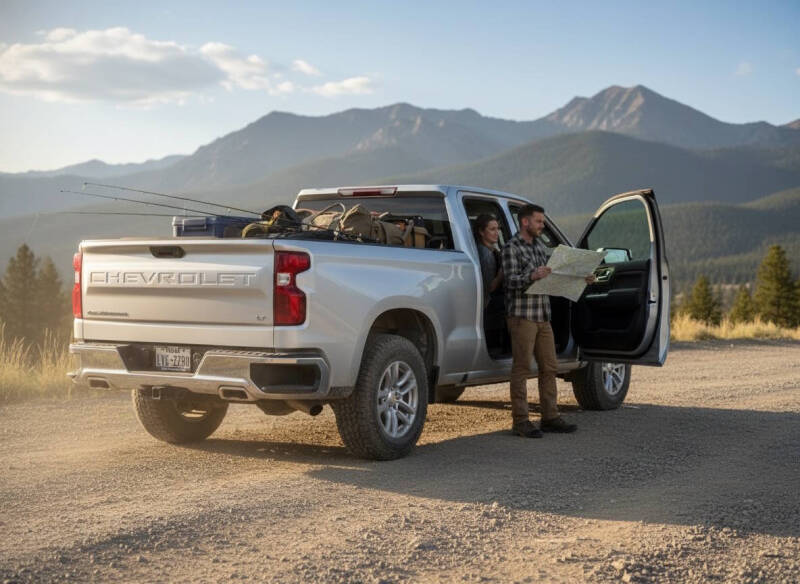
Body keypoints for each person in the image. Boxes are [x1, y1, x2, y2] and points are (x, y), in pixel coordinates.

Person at [501, 204, 595, 438]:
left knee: (549, 367)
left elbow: (557, 275)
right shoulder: (511, 248)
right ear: (525, 222)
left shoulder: (539, 247)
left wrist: (582, 278)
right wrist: (532, 275)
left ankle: (550, 417)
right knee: (522, 369)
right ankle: (520, 421)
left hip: (543, 316)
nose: (542, 225)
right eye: (539, 222)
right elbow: (509, 282)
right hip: (522, 316)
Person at [474, 214, 506, 355]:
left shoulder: (491, 251)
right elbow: (489, 288)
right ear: (481, 232)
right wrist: (502, 273)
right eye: (492, 229)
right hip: (488, 304)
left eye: (497, 229)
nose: (496, 233)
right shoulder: (485, 255)